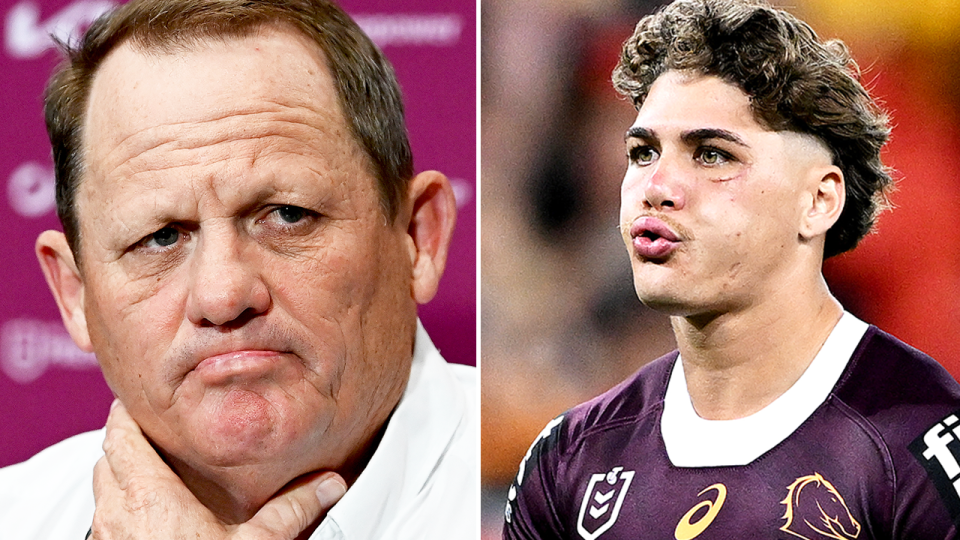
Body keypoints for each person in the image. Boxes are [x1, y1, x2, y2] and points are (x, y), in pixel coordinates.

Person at [0, 0, 476, 539]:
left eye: (288, 216)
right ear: (74, 292)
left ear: (418, 237)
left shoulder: (556, 491)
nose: (223, 295)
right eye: (161, 237)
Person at [503, 0, 960, 538]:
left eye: (712, 155)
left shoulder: (919, 447)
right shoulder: (567, 461)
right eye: (643, 152)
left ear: (819, 200)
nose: (657, 188)